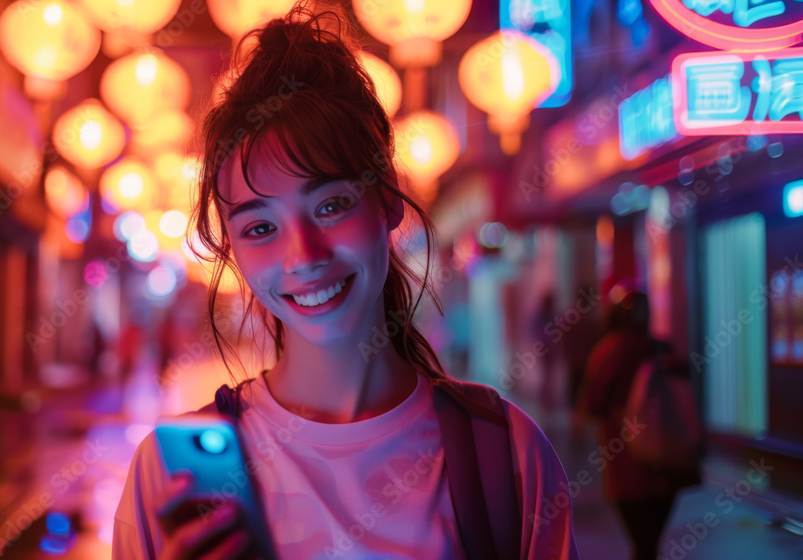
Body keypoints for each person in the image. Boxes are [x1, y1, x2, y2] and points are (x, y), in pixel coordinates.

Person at [114, 4, 579, 559]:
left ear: (386, 199)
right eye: (261, 226)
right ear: (231, 248)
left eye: (331, 205)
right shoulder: (174, 482)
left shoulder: (504, 455)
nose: (304, 255)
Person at [578, 287, 700, 560]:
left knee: (642, 543)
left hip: (626, 460)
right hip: (667, 459)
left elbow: (594, 404)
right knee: (650, 543)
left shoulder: (609, 351)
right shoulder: (659, 348)